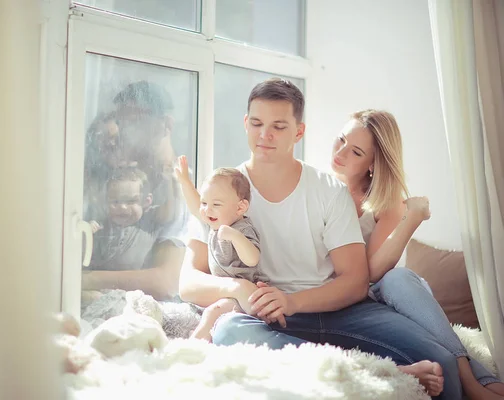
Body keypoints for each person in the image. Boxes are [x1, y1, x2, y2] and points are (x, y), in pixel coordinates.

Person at [179, 78, 462, 399]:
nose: (264, 135)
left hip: (339, 311)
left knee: (443, 363)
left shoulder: (330, 190)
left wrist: (293, 301)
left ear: (299, 132)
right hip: (265, 317)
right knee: (230, 330)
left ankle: (365, 365)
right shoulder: (219, 190)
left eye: (278, 126)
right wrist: (237, 289)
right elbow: (187, 283)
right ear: (246, 123)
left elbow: (356, 282)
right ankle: (373, 369)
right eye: (256, 123)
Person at [331, 109, 504, 400]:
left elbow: (371, 275)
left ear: (373, 164)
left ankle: (472, 383)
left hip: (388, 295)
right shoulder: (320, 190)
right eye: (341, 140)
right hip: (347, 299)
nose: (341, 152)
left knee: (397, 279)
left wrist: (410, 218)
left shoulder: (384, 203)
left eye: (356, 151)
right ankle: (479, 379)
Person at [81, 81, 187, 300]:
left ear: (165, 125)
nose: (123, 131)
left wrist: (83, 279)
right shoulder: (118, 179)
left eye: (134, 121)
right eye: (122, 121)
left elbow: (166, 282)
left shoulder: (179, 192)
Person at [174, 155, 266, 340]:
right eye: (205, 203)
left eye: (216, 204)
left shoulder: (241, 228)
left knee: (212, 314)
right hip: (225, 290)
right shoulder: (215, 222)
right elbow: (194, 206)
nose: (207, 210)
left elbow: (252, 258)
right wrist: (185, 182)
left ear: (240, 208)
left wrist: (235, 237)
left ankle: (193, 347)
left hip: (242, 297)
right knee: (197, 310)